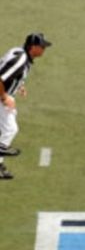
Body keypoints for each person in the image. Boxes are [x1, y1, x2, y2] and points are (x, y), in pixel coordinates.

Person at [0, 33, 51, 180]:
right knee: (10, 129)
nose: (43, 49)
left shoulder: (20, 53)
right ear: (33, 47)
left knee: (5, 129)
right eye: (41, 46)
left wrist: (18, 85)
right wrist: (4, 97)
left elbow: (8, 70)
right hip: (1, 95)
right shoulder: (21, 59)